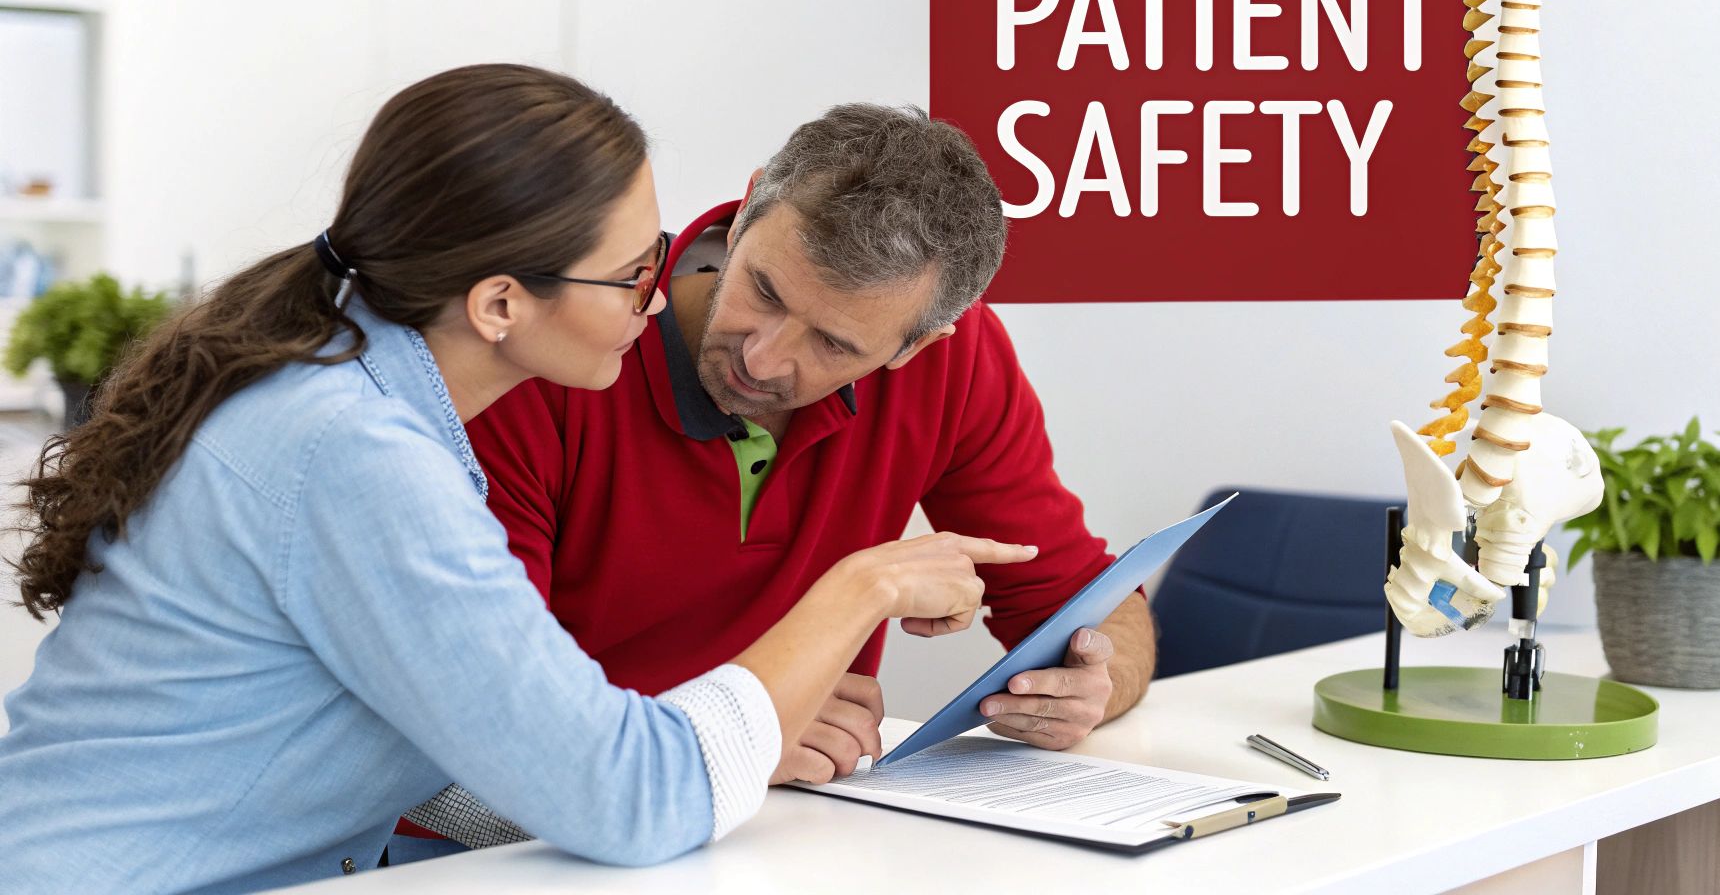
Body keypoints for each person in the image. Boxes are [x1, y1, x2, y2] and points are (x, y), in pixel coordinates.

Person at [0, 66, 1030, 893]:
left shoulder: (347, 396)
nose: (666, 292)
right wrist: (865, 586)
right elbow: (629, 798)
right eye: (636, 270)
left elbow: (499, 746)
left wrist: (691, 744)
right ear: (498, 303)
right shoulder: (357, 458)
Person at [403, 102, 1153, 851]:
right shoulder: (551, 353)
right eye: (764, 289)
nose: (762, 359)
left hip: (773, 841)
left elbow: (1089, 604)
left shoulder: (957, 365)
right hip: (500, 854)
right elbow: (474, 721)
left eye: (831, 341)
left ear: (917, 346)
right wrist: (744, 728)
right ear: (749, 208)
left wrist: (1091, 685)